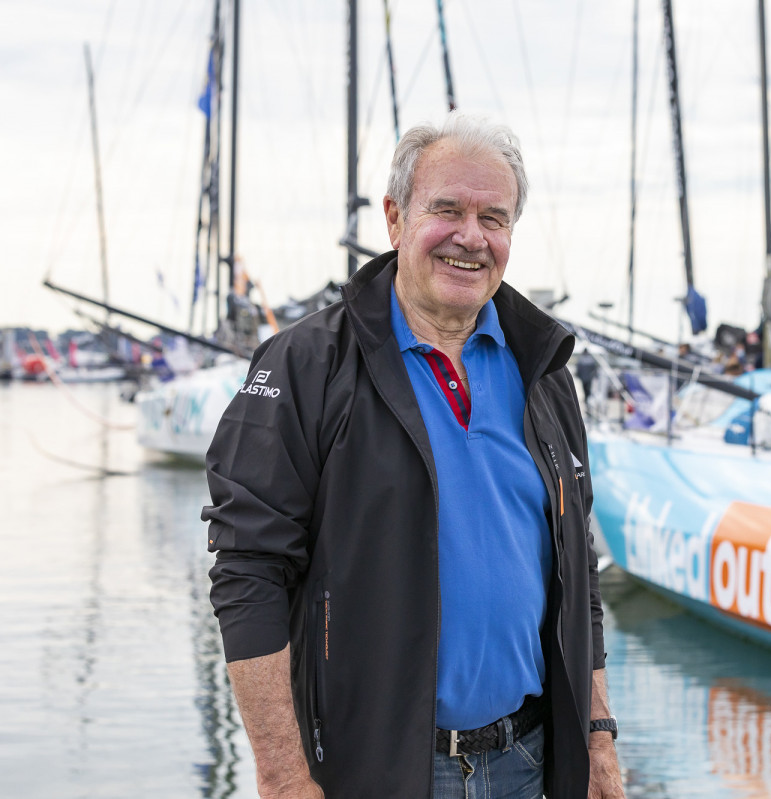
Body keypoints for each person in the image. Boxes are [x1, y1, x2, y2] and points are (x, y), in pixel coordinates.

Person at [203, 113, 623, 798]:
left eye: (495, 217)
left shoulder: (546, 371)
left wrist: (598, 737)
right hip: (373, 770)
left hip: (529, 760)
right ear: (396, 218)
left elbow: (579, 577)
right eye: (447, 209)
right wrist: (282, 774)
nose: (471, 237)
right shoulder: (307, 365)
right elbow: (249, 575)